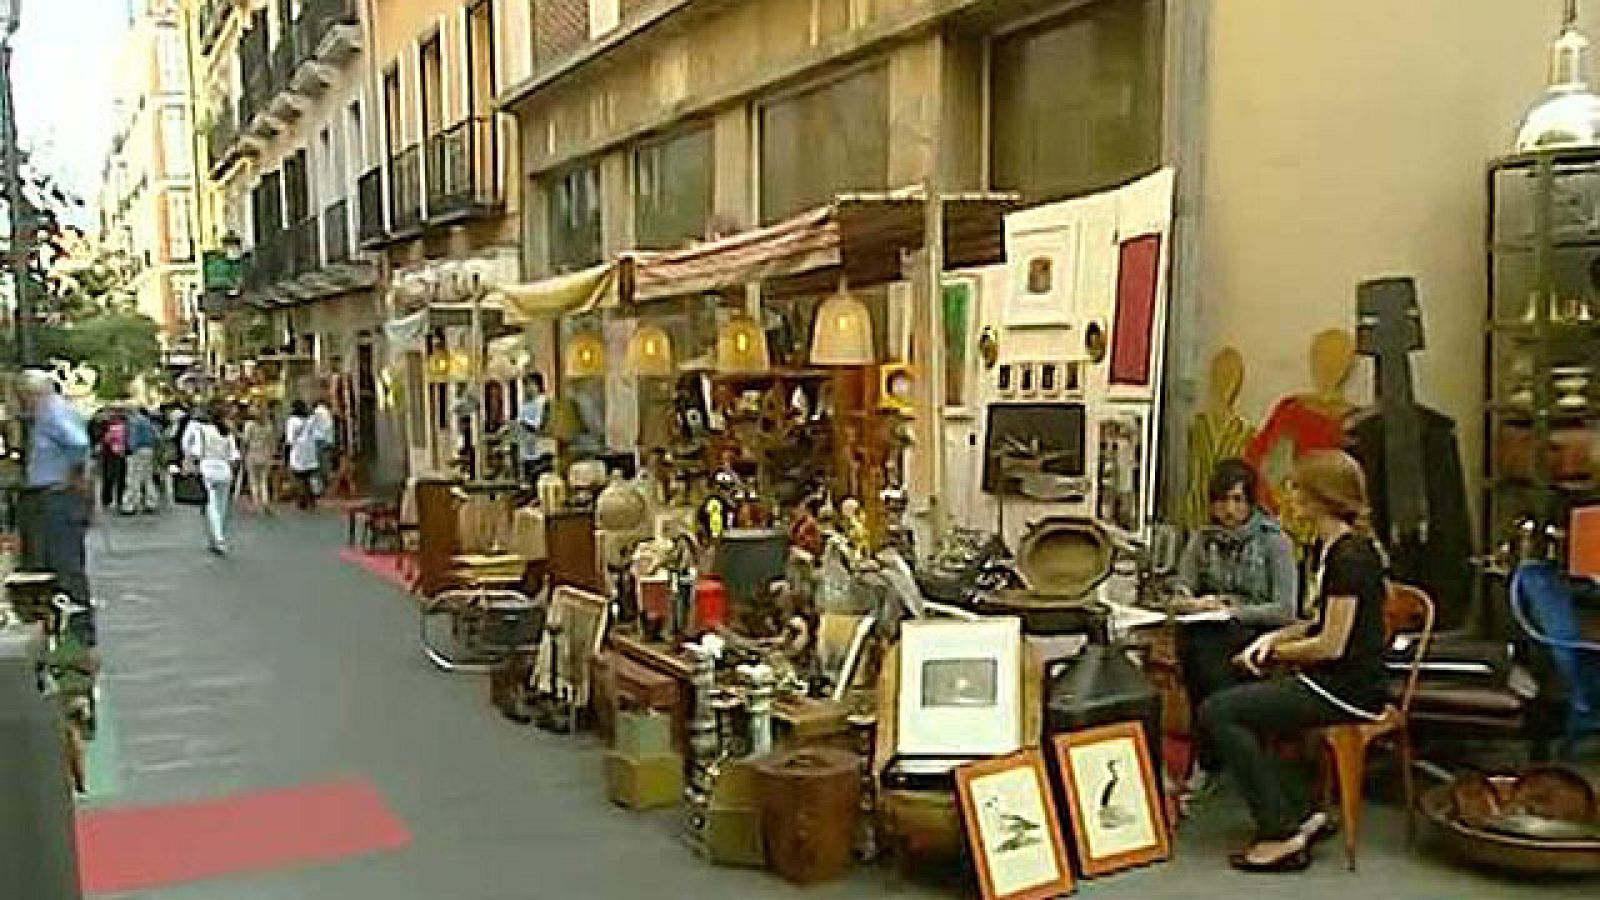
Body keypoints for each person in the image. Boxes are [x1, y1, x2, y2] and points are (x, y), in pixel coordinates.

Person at [1196, 450, 1390, 872]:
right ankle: (1299, 810)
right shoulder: (1329, 546)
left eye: (1297, 490)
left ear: (1320, 498)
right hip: (1333, 679)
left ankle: (1280, 832)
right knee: (1233, 700)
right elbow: (1314, 621)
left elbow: (1331, 645)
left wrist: (1275, 653)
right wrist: (1272, 638)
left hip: (1348, 690)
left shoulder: (1350, 558)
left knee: (1220, 712)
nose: (1290, 498)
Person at [1172, 458, 1298, 790]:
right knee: (1194, 641)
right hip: (1209, 627)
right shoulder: (1202, 539)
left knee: (1207, 652)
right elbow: (1181, 589)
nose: (1228, 509)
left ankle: (1216, 750)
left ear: (1250, 502)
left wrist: (1234, 611)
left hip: (1259, 630)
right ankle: (1216, 749)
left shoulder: (1274, 541)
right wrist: (1192, 602)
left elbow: (1286, 609)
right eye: (1221, 500)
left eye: (1237, 500)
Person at [16, 370, 94, 644]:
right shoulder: (53, 411)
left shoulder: (51, 413)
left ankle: (78, 631)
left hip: (57, 496)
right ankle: (68, 627)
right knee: (60, 563)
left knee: (65, 564)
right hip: (54, 495)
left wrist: (73, 474)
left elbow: (78, 443)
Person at [183, 404, 241, 555]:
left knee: (211, 506)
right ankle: (216, 537)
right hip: (225, 470)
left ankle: (218, 538)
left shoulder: (201, 430)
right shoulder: (227, 433)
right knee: (221, 507)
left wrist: (189, 465)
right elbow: (234, 456)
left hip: (207, 469)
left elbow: (195, 452)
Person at [240, 404, 279, 514]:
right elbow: (272, 442)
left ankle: (256, 503)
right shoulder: (268, 425)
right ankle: (265, 501)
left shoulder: (249, 425)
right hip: (265, 455)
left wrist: (242, 454)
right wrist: (273, 454)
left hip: (252, 454)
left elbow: (245, 441)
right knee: (263, 480)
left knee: (253, 480)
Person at [121, 407, 161, 514]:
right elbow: (157, 437)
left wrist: (130, 450)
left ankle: (130, 505)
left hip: (137, 451)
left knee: (132, 477)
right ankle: (151, 502)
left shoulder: (134, 421)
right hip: (149, 450)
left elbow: (132, 437)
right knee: (147, 477)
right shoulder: (148, 421)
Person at [517, 372, 552, 484]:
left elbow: (540, 426)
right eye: (525, 386)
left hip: (539, 449)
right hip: (526, 449)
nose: (527, 388)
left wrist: (524, 424)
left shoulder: (543, 402)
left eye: (530, 385)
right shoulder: (525, 404)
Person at [285, 401, 321, 509]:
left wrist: (287, 450)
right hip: (310, 449)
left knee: (298, 475)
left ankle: (302, 500)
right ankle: (312, 499)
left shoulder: (292, 421)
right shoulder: (311, 419)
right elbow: (316, 434)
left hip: (298, 449)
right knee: (308, 475)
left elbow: (290, 438)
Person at [97, 411, 127, 512]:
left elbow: (104, 440)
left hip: (108, 455)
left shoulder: (106, 426)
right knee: (120, 478)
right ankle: (119, 499)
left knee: (108, 477)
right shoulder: (124, 427)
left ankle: (107, 500)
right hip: (119, 455)